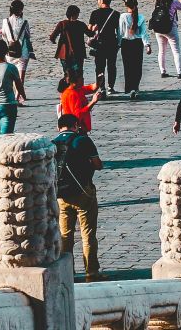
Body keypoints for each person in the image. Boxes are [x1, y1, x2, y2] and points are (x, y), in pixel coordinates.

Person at [53, 112, 103, 281]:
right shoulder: (82, 140)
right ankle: (91, 272)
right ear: (76, 125)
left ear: (59, 127)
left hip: (61, 196)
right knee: (87, 234)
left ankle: (68, 273)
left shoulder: (52, 144)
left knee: (65, 236)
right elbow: (98, 165)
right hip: (83, 192)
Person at [87, 0, 122, 99]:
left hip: (99, 44)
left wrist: (92, 33)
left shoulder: (95, 13)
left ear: (101, 0)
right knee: (112, 66)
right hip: (112, 43)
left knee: (99, 67)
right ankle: (111, 87)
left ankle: (101, 87)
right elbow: (119, 31)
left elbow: (89, 30)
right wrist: (119, 43)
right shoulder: (116, 14)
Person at [0, 0, 36, 91]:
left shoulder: (5, 21)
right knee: (21, 76)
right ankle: (19, 96)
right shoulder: (24, 22)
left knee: (12, 75)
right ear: (21, 10)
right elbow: (28, 35)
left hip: (10, 51)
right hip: (23, 51)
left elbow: (4, 34)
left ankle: (13, 94)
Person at [149, 0, 181, 77]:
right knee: (176, 51)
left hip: (158, 28)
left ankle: (163, 71)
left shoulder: (158, 0)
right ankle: (179, 73)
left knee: (161, 51)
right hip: (171, 28)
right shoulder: (173, 1)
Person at [50, 4, 88, 84]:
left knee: (67, 73)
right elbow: (90, 34)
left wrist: (54, 41)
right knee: (78, 73)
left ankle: (67, 91)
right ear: (76, 14)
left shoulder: (62, 24)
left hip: (64, 53)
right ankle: (79, 91)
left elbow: (52, 37)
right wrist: (94, 29)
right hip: (78, 53)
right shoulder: (81, 24)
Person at [117, 0, 146, 98]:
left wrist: (118, 44)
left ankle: (129, 88)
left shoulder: (123, 16)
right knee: (137, 67)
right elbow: (144, 33)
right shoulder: (141, 17)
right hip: (137, 43)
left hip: (126, 43)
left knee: (127, 67)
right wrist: (147, 44)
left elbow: (120, 32)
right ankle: (136, 87)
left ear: (125, 5)